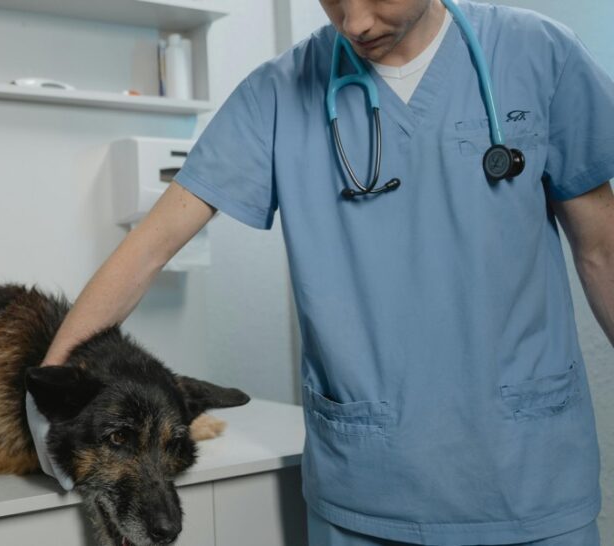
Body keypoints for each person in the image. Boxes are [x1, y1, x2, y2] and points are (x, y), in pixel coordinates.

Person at [33, 0, 614, 544]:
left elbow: (602, 250)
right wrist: (47, 392)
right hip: (365, 490)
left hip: (530, 482)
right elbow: (149, 248)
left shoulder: (540, 57)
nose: (355, 22)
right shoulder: (279, 93)